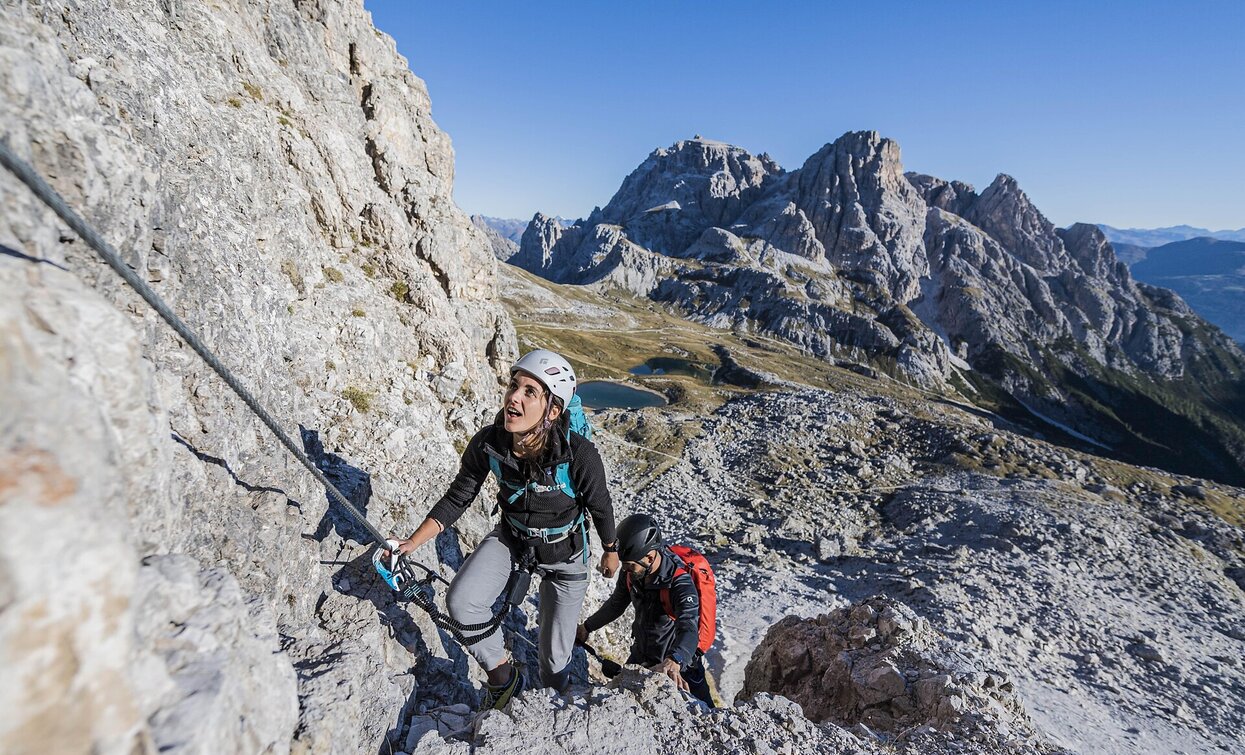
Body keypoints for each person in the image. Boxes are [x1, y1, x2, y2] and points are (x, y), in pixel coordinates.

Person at [393, 349, 619, 710]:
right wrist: (412, 543)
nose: (514, 396)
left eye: (531, 392)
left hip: (566, 557)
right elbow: (459, 496)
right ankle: (503, 678)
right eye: (514, 386)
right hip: (514, 539)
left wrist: (611, 549)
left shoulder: (579, 454)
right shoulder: (491, 443)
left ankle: (554, 711)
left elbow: (601, 505)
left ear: (554, 410)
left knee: (554, 662)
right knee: (462, 602)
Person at [576, 513, 715, 707]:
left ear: (650, 556)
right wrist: (587, 627)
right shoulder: (632, 570)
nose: (625, 568)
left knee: (705, 711)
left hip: (678, 666)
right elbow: (616, 604)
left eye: (630, 565)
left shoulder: (680, 584)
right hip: (640, 657)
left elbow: (688, 627)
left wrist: (675, 660)